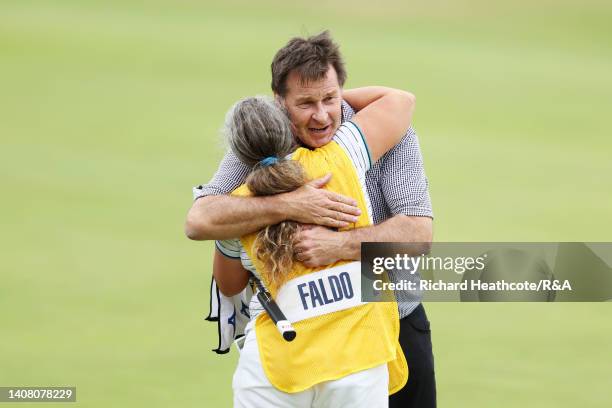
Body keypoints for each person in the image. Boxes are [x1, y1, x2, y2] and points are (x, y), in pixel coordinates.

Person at [186, 31, 436, 407]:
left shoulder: (383, 133)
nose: (321, 116)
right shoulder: (261, 142)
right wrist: (292, 204)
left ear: (342, 91)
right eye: (305, 103)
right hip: (298, 330)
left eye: (329, 98)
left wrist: (338, 244)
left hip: (392, 319)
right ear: (280, 103)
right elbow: (200, 219)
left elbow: (417, 235)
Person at [215, 86, 413, 407]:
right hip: (358, 356)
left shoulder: (235, 208)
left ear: (238, 152)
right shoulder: (341, 158)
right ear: (289, 129)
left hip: (274, 363)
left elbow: (229, 285)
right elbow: (400, 101)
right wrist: (330, 97)